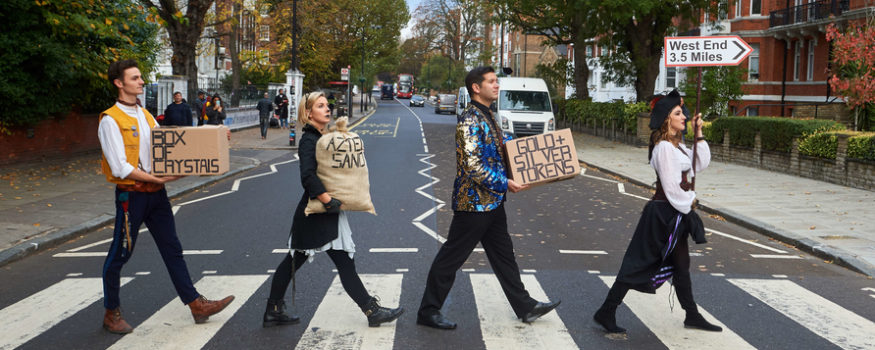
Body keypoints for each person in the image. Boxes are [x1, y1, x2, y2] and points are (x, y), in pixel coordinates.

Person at [417, 66, 560, 330]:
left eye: (497, 81)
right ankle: (428, 310)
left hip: (492, 202)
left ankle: (525, 306)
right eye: (492, 82)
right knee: (451, 258)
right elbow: (473, 166)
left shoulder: (488, 115)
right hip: (473, 204)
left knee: (504, 256)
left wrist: (538, 156)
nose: (497, 86)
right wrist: (506, 182)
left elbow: (505, 146)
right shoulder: (470, 119)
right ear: (476, 87)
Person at [97, 59, 234, 334]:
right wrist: (157, 179)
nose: (141, 82)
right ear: (119, 83)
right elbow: (119, 166)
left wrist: (213, 143)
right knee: (120, 255)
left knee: (172, 248)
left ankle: (196, 305)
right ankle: (111, 312)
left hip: (156, 196)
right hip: (131, 197)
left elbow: (168, 151)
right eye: (135, 78)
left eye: (140, 77)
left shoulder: (146, 116)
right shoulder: (110, 120)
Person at [262, 91, 403, 328]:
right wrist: (328, 200)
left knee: (298, 262)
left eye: (327, 105)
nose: (327, 109)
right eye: (320, 106)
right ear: (308, 113)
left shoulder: (322, 136)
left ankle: (274, 309)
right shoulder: (309, 139)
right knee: (331, 262)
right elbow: (307, 176)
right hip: (317, 213)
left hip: (321, 212)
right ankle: (371, 310)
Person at [593, 89, 722, 334]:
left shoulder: (678, 146)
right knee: (637, 263)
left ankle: (691, 315)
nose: (684, 116)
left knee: (682, 266)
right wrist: (690, 201)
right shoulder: (663, 148)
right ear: (666, 119)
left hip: (674, 214)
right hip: (662, 215)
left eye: (682, 112)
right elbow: (672, 187)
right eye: (678, 113)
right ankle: (606, 310)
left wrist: (699, 132)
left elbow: (700, 163)